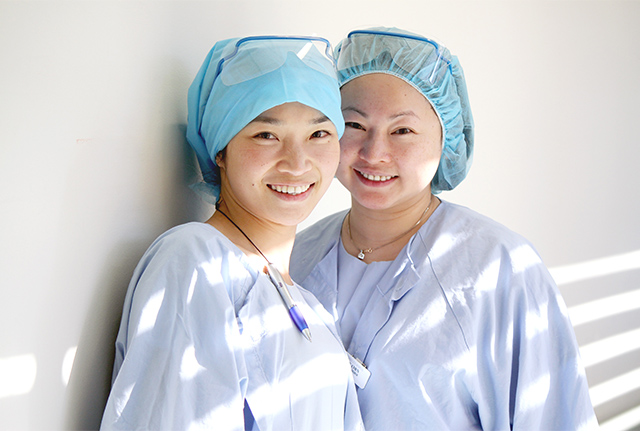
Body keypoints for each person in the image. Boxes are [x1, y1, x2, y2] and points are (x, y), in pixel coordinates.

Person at [291, 27, 597, 430]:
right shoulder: (297, 257)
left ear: (445, 137)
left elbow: (554, 418)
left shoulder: (498, 268)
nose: (374, 152)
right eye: (354, 125)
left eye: (402, 130)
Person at [101, 35, 364, 431]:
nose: (297, 163)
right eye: (266, 135)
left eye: (319, 134)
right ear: (220, 149)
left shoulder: (307, 302)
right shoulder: (193, 262)